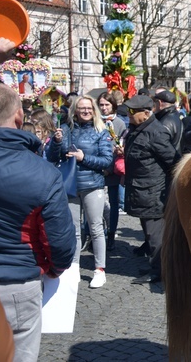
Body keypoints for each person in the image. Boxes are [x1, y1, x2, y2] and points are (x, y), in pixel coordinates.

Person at [0, 82, 76, 361]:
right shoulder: (41, 173)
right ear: (19, 118)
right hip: (17, 283)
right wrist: (54, 268)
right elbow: (60, 241)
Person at [47, 96, 113, 288]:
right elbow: (53, 156)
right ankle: (73, 266)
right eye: (82, 108)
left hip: (93, 184)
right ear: (75, 110)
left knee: (96, 227)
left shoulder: (101, 130)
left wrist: (84, 157)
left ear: (94, 111)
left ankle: (100, 269)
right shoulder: (67, 129)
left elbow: (106, 160)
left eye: (89, 108)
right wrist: (57, 142)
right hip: (71, 184)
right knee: (74, 229)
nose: (85, 111)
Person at [121, 95, 179, 284]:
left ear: (146, 113)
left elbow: (173, 161)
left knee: (155, 236)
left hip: (152, 192)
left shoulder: (156, 132)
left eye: (132, 112)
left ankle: (159, 271)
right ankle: (156, 266)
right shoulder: (139, 129)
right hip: (141, 190)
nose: (128, 115)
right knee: (149, 233)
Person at [97, 91, 126, 251]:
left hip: (113, 168)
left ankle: (111, 233)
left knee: (114, 203)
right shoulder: (95, 122)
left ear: (113, 105)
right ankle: (92, 233)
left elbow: (120, 144)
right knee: (95, 201)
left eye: (107, 104)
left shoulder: (120, 123)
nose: (104, 108)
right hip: (98, 167)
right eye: (101, 105)